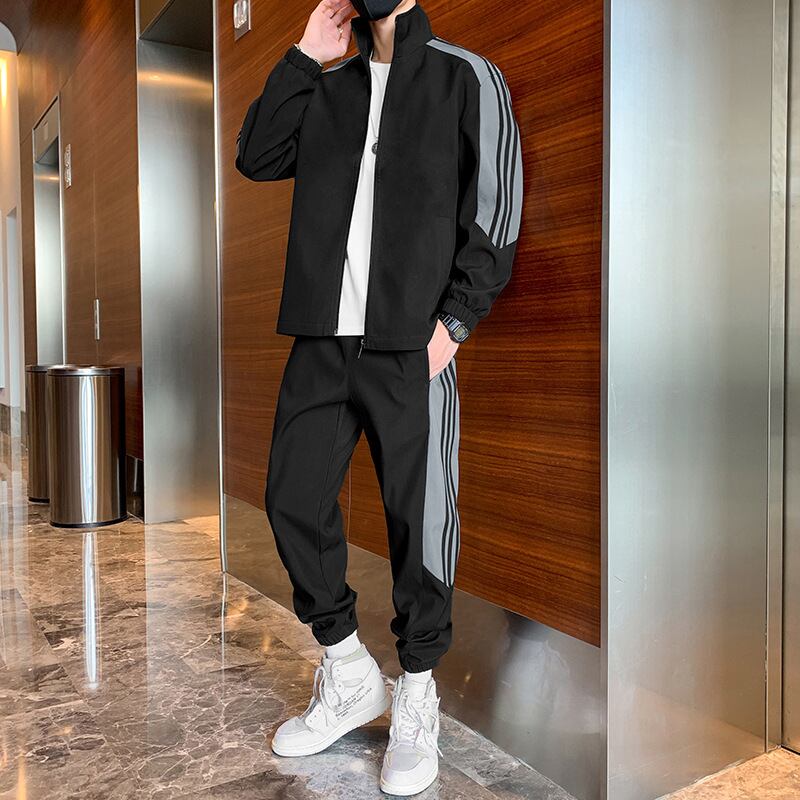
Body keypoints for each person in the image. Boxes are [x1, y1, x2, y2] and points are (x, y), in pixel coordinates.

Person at [236, 0, 522, 794]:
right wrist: (304, 56)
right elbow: (257, 155)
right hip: (321, 338)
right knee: (291, 500)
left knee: (417, 523)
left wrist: (454, 323)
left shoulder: (468, 77)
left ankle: (418, 694)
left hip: (410, 346)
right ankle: (349, 670)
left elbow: (496, 207)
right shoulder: (328, 87)